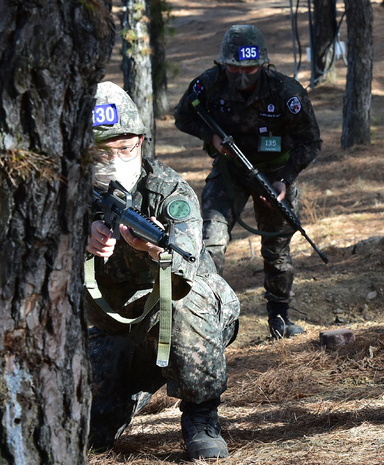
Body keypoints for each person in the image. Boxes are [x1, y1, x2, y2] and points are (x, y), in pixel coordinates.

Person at [86, 81, 240, 460]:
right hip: (116, 326)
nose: (115, 160)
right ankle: (140, 383)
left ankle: (201, 416)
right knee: (91, 433)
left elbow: (187, 266)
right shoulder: (62, 195)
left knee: (183, 302)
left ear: (141, 140)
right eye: (100, 153)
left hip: (188, 314)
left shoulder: (168, 191)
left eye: (125, 148)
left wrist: (156, 252)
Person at [174, 24, 322, 340]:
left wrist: (285, 178)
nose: (242, 77)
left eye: (251, 69)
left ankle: (279, 321)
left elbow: (310, 141)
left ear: (264, 64)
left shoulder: (287, 92)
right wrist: (211, 136)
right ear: (222, 65)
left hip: (274, 174)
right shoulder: (209, 84)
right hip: (230, 172)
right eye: (234, 68)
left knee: (277, 248)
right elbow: (183, 116)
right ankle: (203, 318)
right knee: (210, 241)